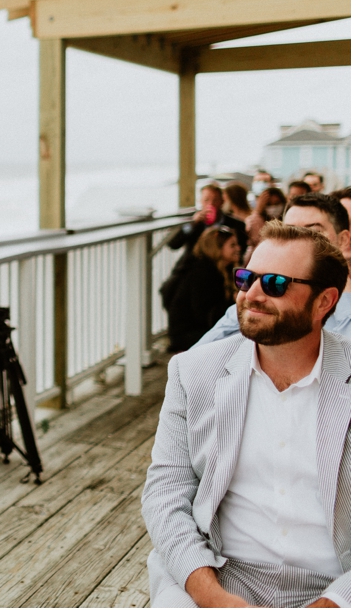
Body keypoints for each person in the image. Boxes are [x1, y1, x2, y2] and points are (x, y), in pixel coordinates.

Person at [143, 222, 350, 607]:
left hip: (337, 582)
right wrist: (213, 596)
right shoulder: (193, 371)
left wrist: (334, 602)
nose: (251, 295)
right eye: (245, 278)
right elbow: (165, 494)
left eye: (274, 283)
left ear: (324, 302)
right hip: (222, 575)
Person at [193, 192, 351, 346]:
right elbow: (196, 359)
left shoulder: (347, 317)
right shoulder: (253, 301)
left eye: (313, 233)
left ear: (343, 239)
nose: (297, 243)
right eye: (289, 232)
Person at [166, 227, 240, 353]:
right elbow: (204, 315)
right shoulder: (203, 273)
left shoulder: (223, 270)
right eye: (232, 245)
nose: (238, 248)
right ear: (217, 248)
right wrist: (233, 300)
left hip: (200, 327)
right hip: (187, 333)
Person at [168, 183, 249, 260]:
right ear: (200, 201)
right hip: (195, 268)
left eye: (215, 200)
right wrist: (192, 224)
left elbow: (242, 251)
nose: (211, 204)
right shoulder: (195, 223)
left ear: (222, 202)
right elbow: (173, 244)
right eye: (206, 200)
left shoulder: (237, 224)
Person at [244, 186, 286, 262]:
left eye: (276, 203)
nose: (273, 207)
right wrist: (258, 211)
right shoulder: (257, 220)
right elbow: (253, 235)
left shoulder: (288, 221)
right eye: (269, 204)